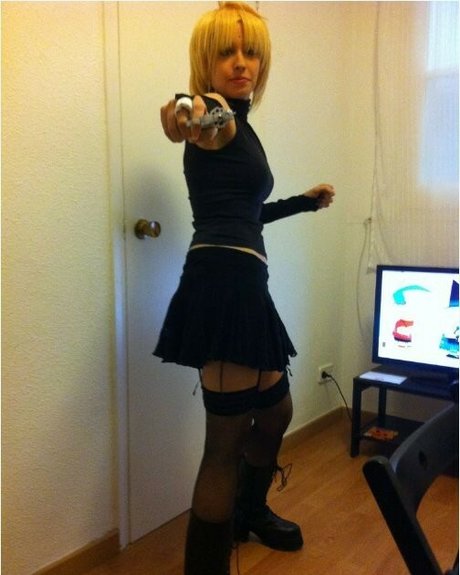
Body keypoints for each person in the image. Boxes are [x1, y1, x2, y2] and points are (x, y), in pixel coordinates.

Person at [156, 3, 335, 574]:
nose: (241, 62)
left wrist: (304, 202)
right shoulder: (217, 114)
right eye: (226, 52)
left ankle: (249, 512)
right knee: (224, 445)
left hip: (246, 283)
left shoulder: (243, 123)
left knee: (277, 411)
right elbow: (196, 114)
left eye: (251, 52)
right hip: (222, 286)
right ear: (204, 62)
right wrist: (185, 110)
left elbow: (247, 211)